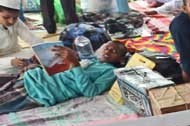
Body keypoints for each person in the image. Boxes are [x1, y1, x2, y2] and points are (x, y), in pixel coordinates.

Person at [0, 40, 128, 114]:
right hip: (32, 77)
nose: (107, 52)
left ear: (121, 60)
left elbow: (91, 91)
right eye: (107, 48)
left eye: (114, 51)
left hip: (41, 92)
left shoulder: (110, 72)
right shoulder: (92, 60)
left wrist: (75, 64)